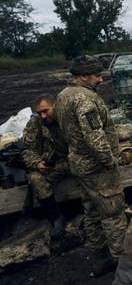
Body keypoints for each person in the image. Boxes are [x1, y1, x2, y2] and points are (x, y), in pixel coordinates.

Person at [55, 55, 128, 277]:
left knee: (92, 211)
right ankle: (125, 265)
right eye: (97, 76)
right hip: (97, 167)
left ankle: (100, 258)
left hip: (79, 164)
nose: (100, 80)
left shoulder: (62, 95)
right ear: (84, 76)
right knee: (113, 213)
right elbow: (94, 136)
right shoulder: (84, 100)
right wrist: (109, 161)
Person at [22, 93, 69, 239]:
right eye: (39, 112)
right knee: (35, 178)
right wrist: (37, 163)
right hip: (54, 166)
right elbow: (27, 149)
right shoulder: (35, 124)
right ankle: (56, 219)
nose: (42, 115)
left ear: (55, 106)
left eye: (45, 111)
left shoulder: (68, 119)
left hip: (74, 161)